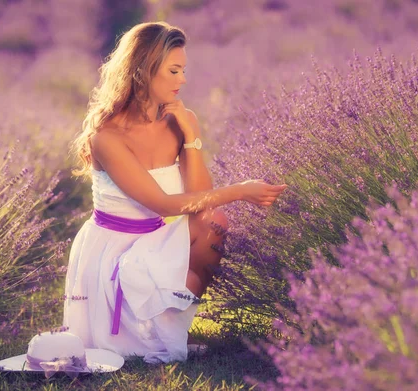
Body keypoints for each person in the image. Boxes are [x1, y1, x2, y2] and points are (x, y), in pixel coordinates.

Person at [63, 21, 287, 364]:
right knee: (211, 217)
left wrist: (191, 135)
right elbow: (163, 203)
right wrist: (241, 191)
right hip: (111, 254)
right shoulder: (107, 137)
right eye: (174, 70)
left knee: (213, 223)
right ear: (142, 72)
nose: (183, 80)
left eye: (183, 69)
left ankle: (169, 330)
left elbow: (199, 197)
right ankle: (147, 335)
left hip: (151, 240)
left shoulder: (176, 121)